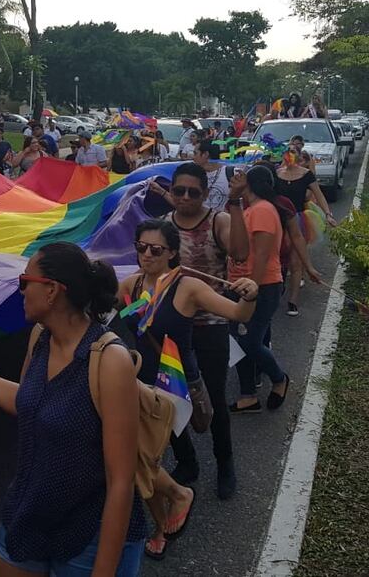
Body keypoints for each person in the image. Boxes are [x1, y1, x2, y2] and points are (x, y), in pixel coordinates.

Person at [0, 242, 149, 575]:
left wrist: (104, 570)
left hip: (87, 534)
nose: (20, 290)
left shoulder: (109, 360)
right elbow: (28, 403)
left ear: (52, 290)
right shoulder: (40, 337)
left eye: (25, 282)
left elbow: (121, 480)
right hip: (28, 514)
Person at [115, 218, 258, 557]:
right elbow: (114, 316)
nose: (146, 254)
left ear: (172, 253)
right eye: (141, 247)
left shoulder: (187, 287)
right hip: (141, 383)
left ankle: (176, 503)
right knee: (141, 458)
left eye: (156, 249)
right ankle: (166, 518)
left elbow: (239, 313)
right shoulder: (130, 286)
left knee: (142, 459)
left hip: (174, 389)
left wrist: (251, 293)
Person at [153, 163, 249, 500]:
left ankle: (225, 464)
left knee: (215, 400)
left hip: (211, 326)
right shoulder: (164, 226)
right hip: (173, 328)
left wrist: (235, 204)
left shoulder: (217, 220)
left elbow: (240, 253)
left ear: (205, 193)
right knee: (171, 398)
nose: (185, 198)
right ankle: (187, 461)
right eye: (179, 191)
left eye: (194, 192)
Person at [227, 165, 291, 413]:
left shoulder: (263, 210)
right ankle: (248, 395)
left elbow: (263, 254)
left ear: (249, 183)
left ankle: (278, 378)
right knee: (238, 342)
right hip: (241, 285)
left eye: (238, 179)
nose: (233, 182)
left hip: (261, 286)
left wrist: (251, 287)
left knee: (248, 342)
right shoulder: (249, 209)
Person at [275, 145, 336, 316]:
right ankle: (277, 288)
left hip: (298, 221)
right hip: (278, 221)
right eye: (287, 151)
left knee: (296, 262)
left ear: (299, 156)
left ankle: (293, 300)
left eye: (293, 152)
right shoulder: (277, 173)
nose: (289, 155)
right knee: (279, 260)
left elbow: (320, 195)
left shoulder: (306, 174)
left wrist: (328, 215)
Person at [192, 141, 230, 211]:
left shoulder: (230, 173)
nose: (193, 157)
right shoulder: (194, 175)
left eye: (195, 153)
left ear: (205, 154)